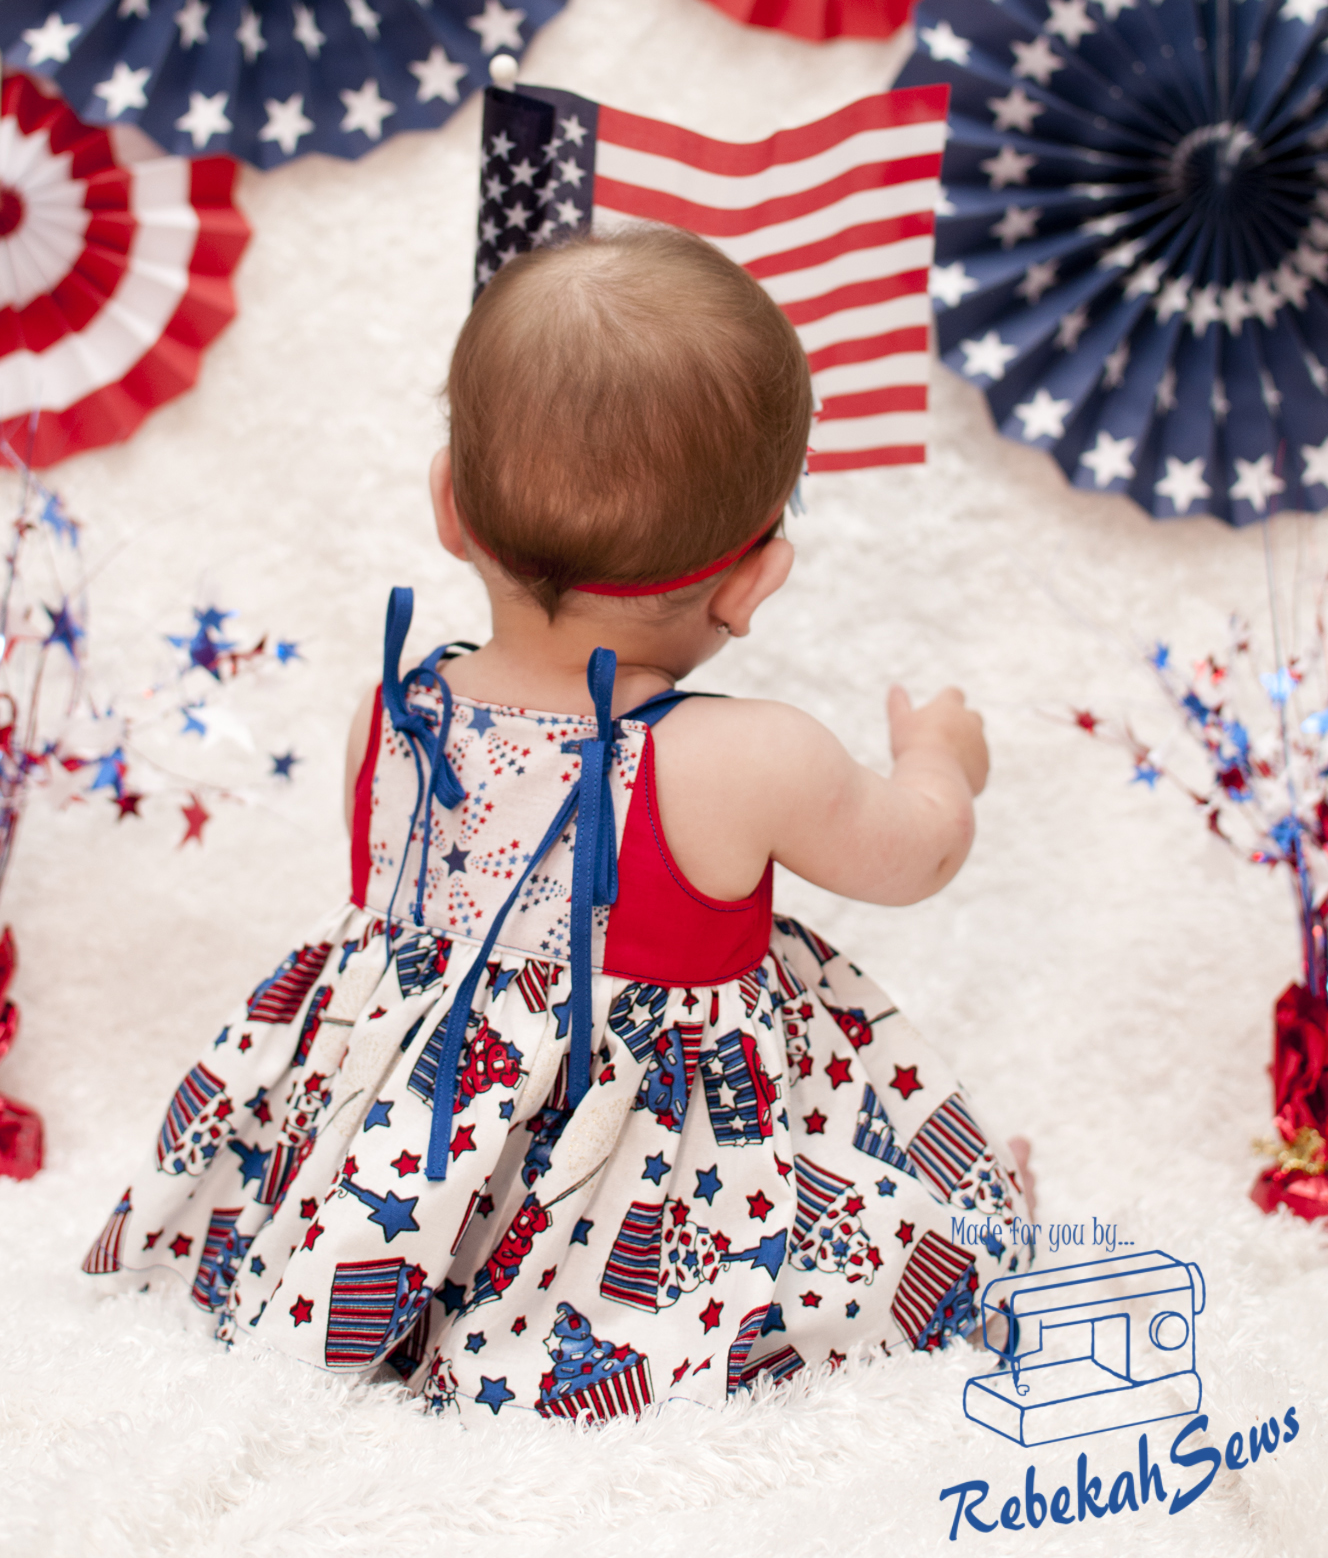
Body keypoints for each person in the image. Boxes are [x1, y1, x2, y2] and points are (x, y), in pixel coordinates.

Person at [83, 224, 1032, 1421]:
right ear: (756, 577)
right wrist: (938, 757)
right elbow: (916, 852)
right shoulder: (749, 757)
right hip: (653, 1179)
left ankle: (406, 1295)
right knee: (896, 1236)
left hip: (411, 1149)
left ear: (447, 505)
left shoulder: (392, 713)